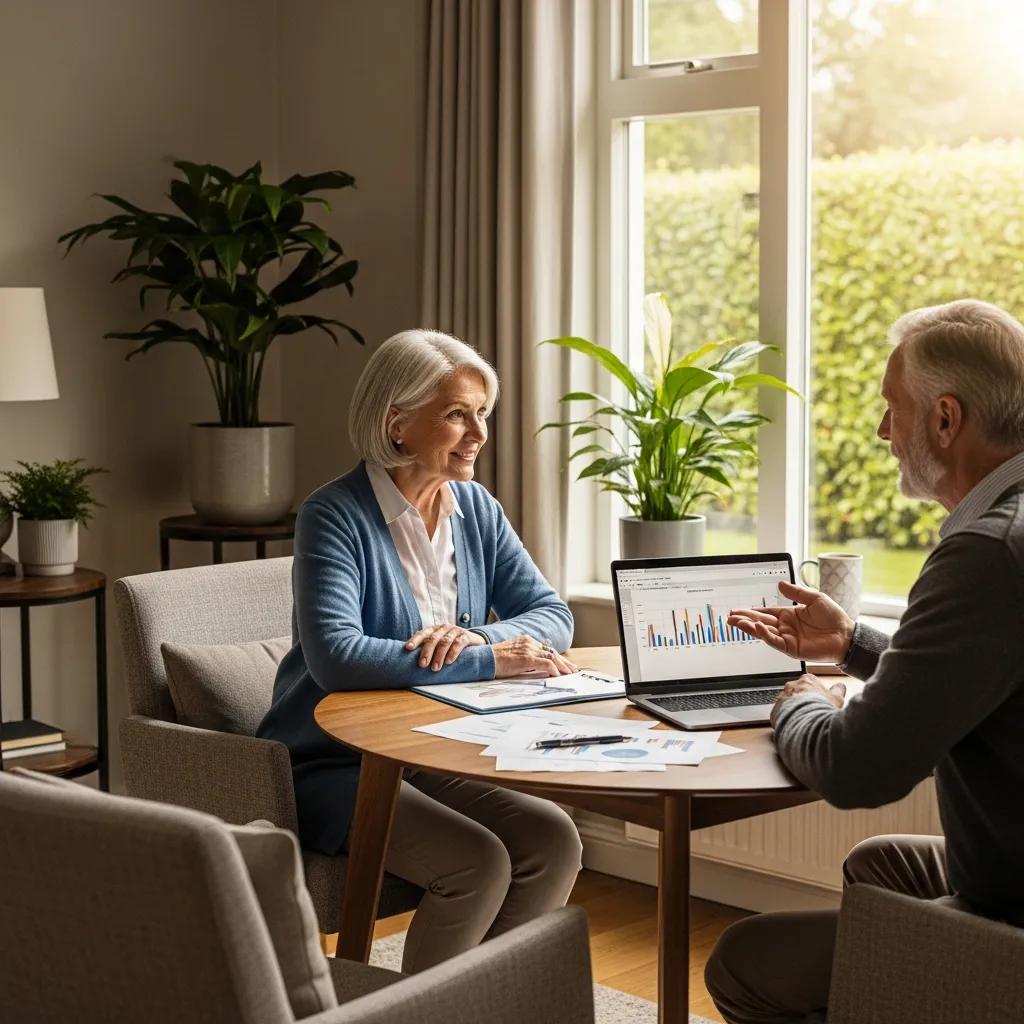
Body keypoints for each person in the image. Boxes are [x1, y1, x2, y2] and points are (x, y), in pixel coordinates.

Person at [704, 299, 1024, 1024]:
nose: (884, 430)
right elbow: (974, 681)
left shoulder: (987, 553)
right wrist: (850, 643)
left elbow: (856, 768)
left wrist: (796, 703)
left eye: (893, 409)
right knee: (879, 865)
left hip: (1010, 917)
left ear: (945, 419)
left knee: (744, 962)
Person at [258, 329, 583, 973]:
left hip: (433, 751)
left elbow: (554, 616)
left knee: (554, 839)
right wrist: (490, 660)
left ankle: (486, 1006)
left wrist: (477, 637)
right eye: (458, 414)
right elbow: (337, 657)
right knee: (477, 862)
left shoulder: (476, 509)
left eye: (482, 414)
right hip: (334, 764)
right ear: (397, 421)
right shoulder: (332, 514)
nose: (479, 434)